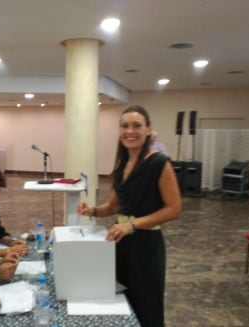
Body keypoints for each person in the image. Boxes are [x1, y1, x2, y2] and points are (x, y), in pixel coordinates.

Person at [77, 105, 181, 327]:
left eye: (136, 125)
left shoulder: (159, 163)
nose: (129, 131)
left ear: (148, 129)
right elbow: (114, 206)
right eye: (124, 126)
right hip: (121, 243)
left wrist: (132, 225)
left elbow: (173, 209)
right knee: (122, 302)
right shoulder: (122, 164)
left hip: (146, 245)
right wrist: (93, 211)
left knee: (146, 306)